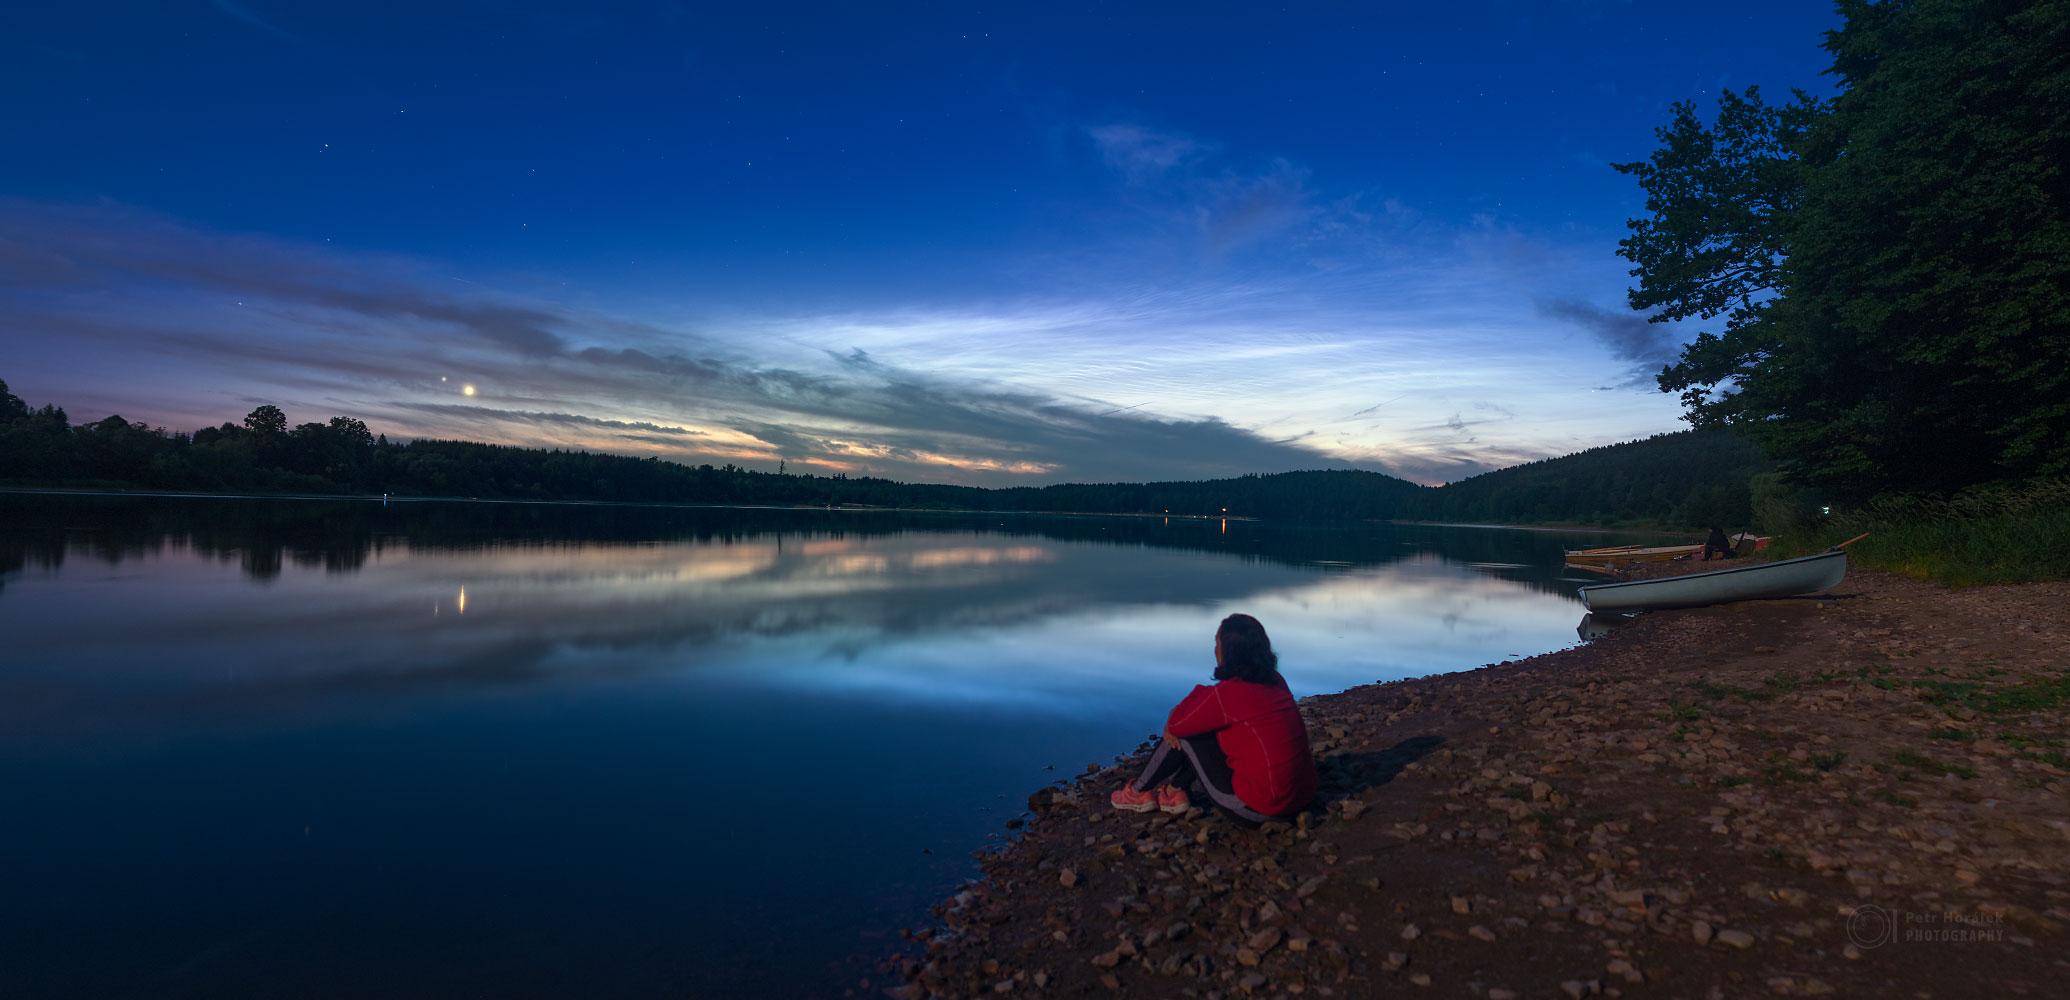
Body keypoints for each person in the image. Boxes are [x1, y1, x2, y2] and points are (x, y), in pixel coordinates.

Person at [1111, 614, 1319, 825]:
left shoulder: (1228, 695)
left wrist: (1175, 710)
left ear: (1228, 651)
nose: (1214, 650)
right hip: (1302, 798)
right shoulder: (1275, 680)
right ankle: (1175, 791)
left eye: (1216, 643)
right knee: (1209, 725)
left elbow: (1178, 725)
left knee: (1185, 733)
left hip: (1260, 810)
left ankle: (1138, 791)